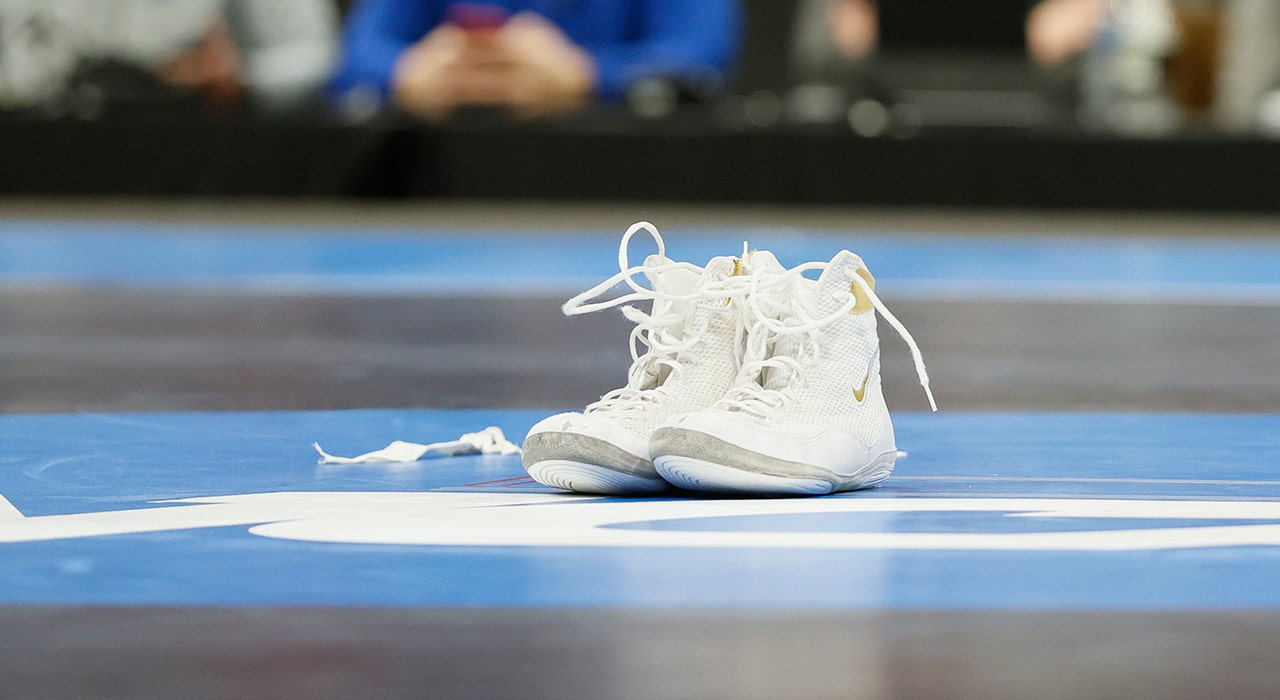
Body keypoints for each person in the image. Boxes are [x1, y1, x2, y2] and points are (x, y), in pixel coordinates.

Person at [329, 0, 742, 121]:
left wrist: (588, 74)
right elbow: (355, 56)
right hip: (437, 190)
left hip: (618, 193)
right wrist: (409, 71)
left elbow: (702, 53)